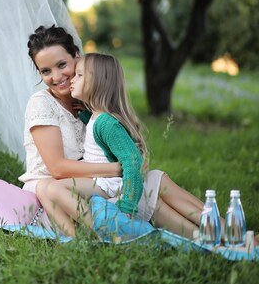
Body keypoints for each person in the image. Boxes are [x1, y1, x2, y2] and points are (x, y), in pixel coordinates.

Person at [20, 25, 228, 240]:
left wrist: (129, 168)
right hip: (53, 193)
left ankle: (222, 231)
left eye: (62, 64)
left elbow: (117, 146)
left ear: (77, 57)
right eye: (45, 71)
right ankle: (112, 237)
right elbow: (57, 168)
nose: (56, 76)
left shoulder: (87, 102)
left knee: (155, 179)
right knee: (145, 192)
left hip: (87, 183)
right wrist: (117, 169)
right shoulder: (41, 104)